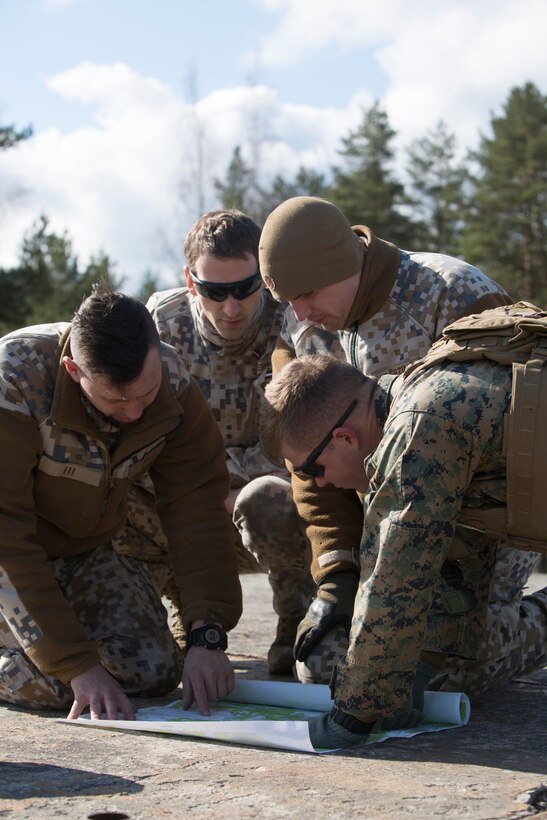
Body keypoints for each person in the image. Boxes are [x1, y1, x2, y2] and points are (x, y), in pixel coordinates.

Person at [258, 195, 539, 685]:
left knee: (449, 669)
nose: (299, 314)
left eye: (305, 293)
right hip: (390, 535)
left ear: (341, 263)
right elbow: (305, 458)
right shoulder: (305, 332)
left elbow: (516, 444)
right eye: (286, 300)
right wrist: (337, 577)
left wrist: (435, 606)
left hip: (482, 523)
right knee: (328, 666)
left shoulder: (453, 296)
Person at [262, 352, 547, 749]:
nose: (320, 486)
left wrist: (356, 711)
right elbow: (460, 557)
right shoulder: (418, 395)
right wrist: (421, 664)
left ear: (345, 438)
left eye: (312, 470)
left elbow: (394, 576)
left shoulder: (417, 427)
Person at [0, 283, 242, 720]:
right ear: (74, 370)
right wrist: (75, 663)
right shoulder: (15, 378)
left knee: (154, 670)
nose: (134, 412)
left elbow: (198, 507)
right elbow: (6, 535)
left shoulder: (171, 376)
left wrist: (207, 634)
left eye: (145, 395)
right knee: (67, 689)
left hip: (80, 553)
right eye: (115, 399)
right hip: (11, 558)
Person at [121, 209, 316, 675]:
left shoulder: (295, 321)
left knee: (268, 498)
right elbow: (142, 435)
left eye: (246, 289)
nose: (232, 308)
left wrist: (227, 484)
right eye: (215, 291)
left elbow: (306, 433)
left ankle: (298, 623)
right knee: (116, 493)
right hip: (185, 508)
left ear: (264, 279)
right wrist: (210, 488)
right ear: (191, 283)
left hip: (266, 513)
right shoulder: (159, 325)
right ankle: (179, 610)